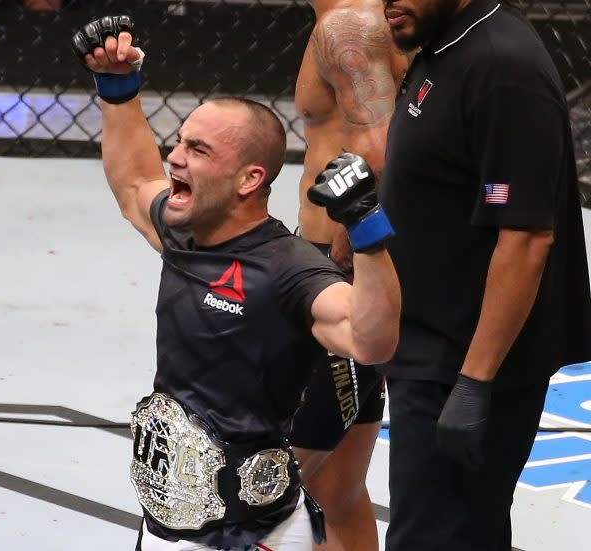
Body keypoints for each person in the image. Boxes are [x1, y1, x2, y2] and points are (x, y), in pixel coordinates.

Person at [71, 15, 402, 551]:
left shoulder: (288, 269)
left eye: (197, 150)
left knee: (339, 487)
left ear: (250, 178)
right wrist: (117, 88)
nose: (174, 157)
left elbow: (373, 341)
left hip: (251, 531)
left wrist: (367, 230)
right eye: (179, 143)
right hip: (170, 524)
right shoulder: (185, 234)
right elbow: (134, 182)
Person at [377, 0, 591, 549]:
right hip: (428, 347)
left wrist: (474, 384)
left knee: (436, 537)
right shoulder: (444, 43)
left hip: (465, 365)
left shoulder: (503, 68)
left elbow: (525, 236)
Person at [290, 1, 410, 550]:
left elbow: (379, 156)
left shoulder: (350, 23)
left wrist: (343, 260)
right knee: (336, 487)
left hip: (336, 261)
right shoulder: (342, 15)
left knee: (277, 471)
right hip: (335, 255)